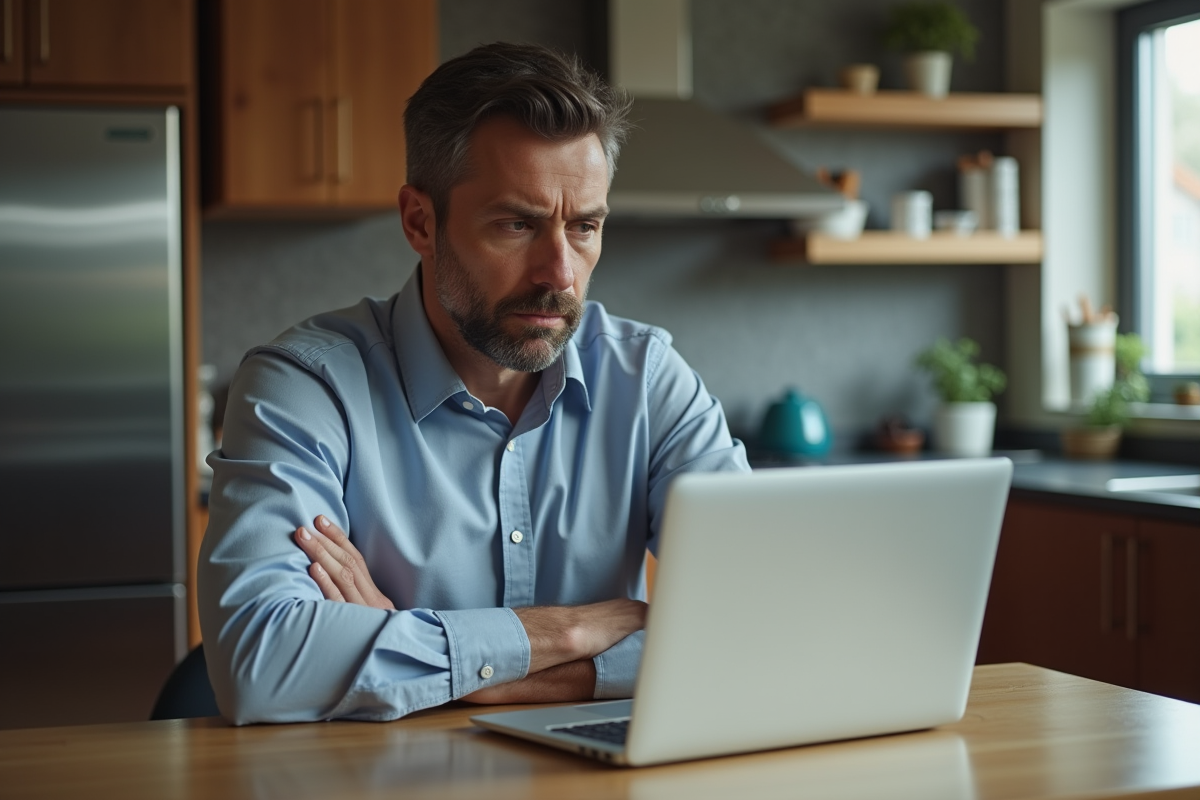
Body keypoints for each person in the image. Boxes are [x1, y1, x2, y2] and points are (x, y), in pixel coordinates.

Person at [198, 42, 749, 725]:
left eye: (585, 228)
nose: (561, 274)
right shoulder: (306, 385)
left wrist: (441, 661)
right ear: (420, 222)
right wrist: (566, 635)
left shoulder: (647, 378)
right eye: (517, 224)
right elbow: (263, 665)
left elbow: (763, 622)